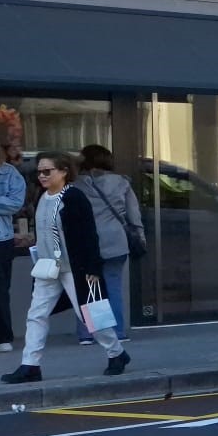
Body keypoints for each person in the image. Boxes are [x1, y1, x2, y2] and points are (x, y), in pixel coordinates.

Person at [1, 152, 129, 383]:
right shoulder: (43, 197)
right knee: (36, 315)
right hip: (48, 267)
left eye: (47, 171)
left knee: (90, 314)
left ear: (63, 172)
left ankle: (116, 352)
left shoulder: (74, 197)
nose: (41, 176)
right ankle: (30, 365)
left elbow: (89, 236)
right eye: (38, 172)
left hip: (75, 268)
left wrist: (92, 269)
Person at [71, 146, 146, 344]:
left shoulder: (76, 185)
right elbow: (133, 214)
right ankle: (116, 332)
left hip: (87, 242)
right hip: (116, 240)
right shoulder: (122, 183)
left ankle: (89, 333)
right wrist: (140, 236)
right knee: (113, 287)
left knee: (89, 288)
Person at [0, 139, 25, 354]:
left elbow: (15, 204)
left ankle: (3, 337)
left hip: (0, 239)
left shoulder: (10, 174)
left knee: (0, 290)